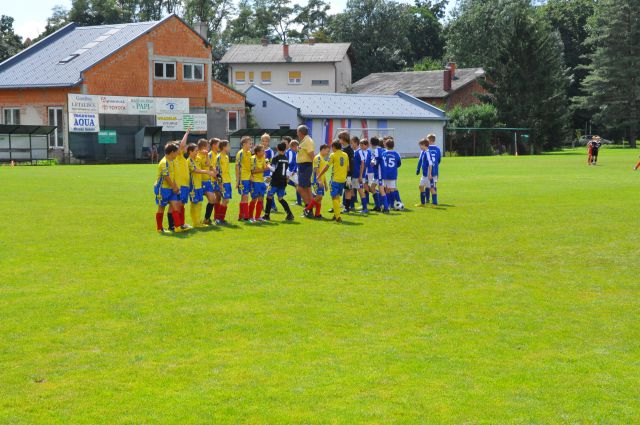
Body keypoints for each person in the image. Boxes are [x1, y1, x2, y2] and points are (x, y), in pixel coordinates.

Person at [153, 142, 187, 233]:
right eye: (176, 152)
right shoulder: (164, 162)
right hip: (162, 189)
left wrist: (176, 187)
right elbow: (166, 177)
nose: (178, 153)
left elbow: (172, 176)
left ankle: (177, 227)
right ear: (172, 152)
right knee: (161, 207)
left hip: (171, 188)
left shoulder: (171, 161)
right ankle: (159, 228)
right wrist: (173, 187)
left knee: (175, 205)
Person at [317, 141, 349, 223]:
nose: (331, 149)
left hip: (335, 179)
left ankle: (338, 217)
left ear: (334, 147)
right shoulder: (345, 155)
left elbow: (327, 167)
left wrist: (319, 175)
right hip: (343, 179)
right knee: (337, 196)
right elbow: (348, 168)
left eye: (332, 147)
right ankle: (336, 214)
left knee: (334, 197)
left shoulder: (333, 155)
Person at [264, 142, 294, 221]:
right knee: (280, 198)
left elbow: (273, 169)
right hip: (283, 181)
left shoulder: (276, 157)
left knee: (269, 196)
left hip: (275, 181)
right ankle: (290, 214)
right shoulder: (286, 158)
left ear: (277, 148)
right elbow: (286, 171)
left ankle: (267, 215)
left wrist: (267, 163)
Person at [187, 143, 215, 227]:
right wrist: (206, 172)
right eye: (195, 151)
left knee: (199, 204)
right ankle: (195, 223)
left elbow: (207, 164)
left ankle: (198, 222)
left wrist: (206, 155)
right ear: (190, 152)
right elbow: (195, 170)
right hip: (193, 185)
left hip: (198, 184)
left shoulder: (197, 158)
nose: (197, 152)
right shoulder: (189, 161)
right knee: (194, 203)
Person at [296, 125, 320, 218]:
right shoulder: (304, 140)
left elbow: (312, 155)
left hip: (306, 166)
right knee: (307, 188)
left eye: (297, 131)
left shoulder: (308, 141)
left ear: (300, 132)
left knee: (300, 189)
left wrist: (315, 168)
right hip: (302, 166)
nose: (297, 133)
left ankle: (308, 208)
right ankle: (310, 209)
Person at [172, 130, 192, 230]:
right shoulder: (178, 156)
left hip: (185, 185)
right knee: (178, 205)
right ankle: (177, 225)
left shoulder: (183, 158)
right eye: (184, 146)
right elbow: (182, 145)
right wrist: (187, 133)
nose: (185, 147)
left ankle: (182, 223)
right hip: (180, 185)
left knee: (182, 205)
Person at [248, 145, 269, 222]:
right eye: (262, 151)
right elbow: (252, 171)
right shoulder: (253, 159)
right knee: (254, 199)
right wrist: (263, 170)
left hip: (261, 181)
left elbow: (265, 167)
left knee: (261, 199)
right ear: (257, 152)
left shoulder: (263, 158)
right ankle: (250, 217)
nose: (264, 152)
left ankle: (257, 217)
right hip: (254, 181)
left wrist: (264, 168)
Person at [200, 138, 217, 225]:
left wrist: (215, 173)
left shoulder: (206, 155)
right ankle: (196, 221)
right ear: (203, 147)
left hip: (207, 181)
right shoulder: (197, 156)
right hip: (200, 182)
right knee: (196, 202)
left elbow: (209, 165)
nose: (209, 148)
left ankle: (206, 219)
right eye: (207, 146)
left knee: (212, 199)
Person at [381, 138, 402, 210]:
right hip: (393, 174)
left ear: (386, 145)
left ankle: (388, 204)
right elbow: (399, 163)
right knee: (392, 189)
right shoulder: (396, 153)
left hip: (385, 173)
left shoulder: (383, 153)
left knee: (386, 189)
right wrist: (395, 167)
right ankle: (392, 204)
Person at [215, 140, 232, 224]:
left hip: (228, 181)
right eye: (228, 146)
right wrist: (220, 183)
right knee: (225, 200)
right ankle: (219, 219)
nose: (230, 147)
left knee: (226, 200)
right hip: (223, 182)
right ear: (224, 147)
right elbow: (217, 172)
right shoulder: (219, 157)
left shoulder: (226, 156)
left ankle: (221, 218)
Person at [235, 136, 253, 221]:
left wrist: (251, 175)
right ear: (244, 144)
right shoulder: (240, 153)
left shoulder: (249, 153)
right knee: (245, 196)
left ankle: (241, 216)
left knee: (245, 197)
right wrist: (238, 180)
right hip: (243, 178)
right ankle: (246, 217)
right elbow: (237, 166)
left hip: (248, 178)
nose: (251, 145)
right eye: (249, 143)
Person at [311, 144, 330, 219]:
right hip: (316, 181)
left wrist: (325, 183)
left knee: (320, 198)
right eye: (327, 151)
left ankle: (317, 214)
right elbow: (316, 169)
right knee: (318, 196)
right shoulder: (318, 157)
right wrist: (319, 180)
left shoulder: (323, 158)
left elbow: (323, 173)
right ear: (323, 149)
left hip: (321, 181)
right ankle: (307, 209)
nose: (328, 153)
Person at [369, 137, 387, 212]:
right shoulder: (382, 149)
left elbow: (377, 160)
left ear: (371, 143)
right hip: (378, 173)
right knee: (372, 188)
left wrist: (373, 162)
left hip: (380, 173)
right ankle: (378, 206)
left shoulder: (377, 150)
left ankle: (386, 208)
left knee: (381, 190)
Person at [261, 133, 277, 212]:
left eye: (266, 141)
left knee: (268, 191)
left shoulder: (271, 151)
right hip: (259, 174)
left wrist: (271, 175)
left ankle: (273, 206)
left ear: (269, 142)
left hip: (267, 174)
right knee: (261, 191)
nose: (264, 143)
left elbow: (272, 164)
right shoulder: (259, 150)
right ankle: (262, 207)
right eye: (263, 141)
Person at [426, 134, 442, 206]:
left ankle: (427, 199)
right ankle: (434, 200)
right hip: (435, 170)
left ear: (429, 140)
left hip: (427, 170)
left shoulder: (426, 148)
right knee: (434, 185)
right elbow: (439, 160)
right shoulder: (438, 149)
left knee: (427, 185)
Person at [356, 138, 371, 213]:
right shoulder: (360, 151)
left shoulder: (368, 152)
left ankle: (377, 202)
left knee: (365, 188)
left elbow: (364, 163)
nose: (361, 146)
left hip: (366, 173)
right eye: (360, 145)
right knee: (363, 188)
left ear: (367, 145)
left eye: (362, 145)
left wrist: (361, 175)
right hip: (363, 173)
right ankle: (364, 205)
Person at [286, 140, 302, 206]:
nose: (297, 148)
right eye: (296, 146)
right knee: (286, 181)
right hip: (291, 171)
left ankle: (299, 201)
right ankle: (299, 201)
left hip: (291, 171)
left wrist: (294, 171)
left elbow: (292, 162)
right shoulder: (291, 152)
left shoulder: (292, 152)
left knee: (297, 186)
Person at [415, 138, 430, 207]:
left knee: (422, 186)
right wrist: (418, 168)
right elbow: (421, 161)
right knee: (423, 187)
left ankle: (425, 202)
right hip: (425, 173)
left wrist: (429, 174)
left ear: (424, 145)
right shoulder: (424, 152)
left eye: (420, 145)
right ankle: (424, 202)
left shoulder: (427, 153)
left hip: (426, 174)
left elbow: (430, 164)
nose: (420, 147)